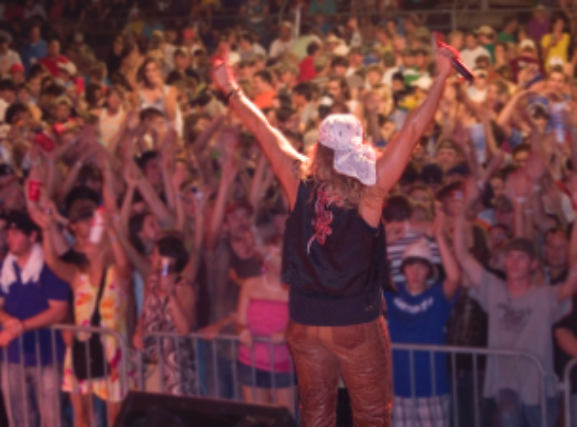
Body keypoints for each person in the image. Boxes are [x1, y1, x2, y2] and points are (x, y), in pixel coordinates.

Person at [210, 42, 457, 425]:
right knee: (372, 416)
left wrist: (229, 87)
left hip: (305, 321)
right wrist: (441, 77)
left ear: (321, 149)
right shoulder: (370, 189)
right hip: (354, 319)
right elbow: (411, 132)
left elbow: (263, 129)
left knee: (316, 415)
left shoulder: (298, 179)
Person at [453, 192, 577, 427]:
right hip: (505, 385)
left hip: (539, 388)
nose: (514, 262)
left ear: (533, 264)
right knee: (507, 414)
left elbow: (571, 281)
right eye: (510, 256)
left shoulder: (544, 295)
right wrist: (459, 216)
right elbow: (462, 256)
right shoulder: (493, 288)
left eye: (521, 257)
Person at [385, 208, 461, 426]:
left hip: (433, 388)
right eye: (410, 265)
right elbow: (369, 274)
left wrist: (439, 237)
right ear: (403, 269)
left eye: (421, 266)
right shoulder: (393, 294)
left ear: (429, 270)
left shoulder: (437, 296)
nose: (415, 272)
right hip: (399, 390)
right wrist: (382, 244)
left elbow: (454, 277)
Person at [0, 212, 70, 427]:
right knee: (19, 419)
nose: (10, 239)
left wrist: (21, 326)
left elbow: (59, 310)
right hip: (12, 357)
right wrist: (8, 320)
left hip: (48, 356)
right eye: (8, 234)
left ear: (32, 236)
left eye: (15, 234)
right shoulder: (5, 268)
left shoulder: (49, 266)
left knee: (52, 419)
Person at [133, 233, 197, 395]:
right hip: (151, 355)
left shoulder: (185, 288)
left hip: (175, 360)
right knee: (152, 402)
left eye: (156, 254)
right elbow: (145, 313)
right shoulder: (151, 280)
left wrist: (172, 296)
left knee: (174, 404)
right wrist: (138, 331)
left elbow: (184, 329)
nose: (152, 258)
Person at [236, 236, 293, 410]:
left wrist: (287, 333)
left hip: (284, 362)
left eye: (277, 255)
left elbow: (304, 324)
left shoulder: (295, 289)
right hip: (251, 359)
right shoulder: (250, 284)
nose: (272, 260)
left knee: (286, 416)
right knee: (256, 415)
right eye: (269, 254)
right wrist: (244, 332)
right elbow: (240, 322)